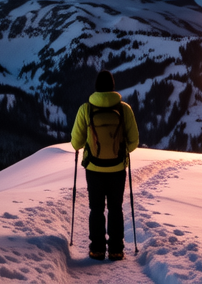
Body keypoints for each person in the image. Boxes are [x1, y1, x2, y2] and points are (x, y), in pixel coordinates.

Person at [71, 69, 139, 261]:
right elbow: (134, 142)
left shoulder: (86, 109)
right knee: (116, 208)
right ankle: (117, 249)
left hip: (94, 169)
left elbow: (76, 143)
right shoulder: (124, 110)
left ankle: (97, 249)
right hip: (118, 168)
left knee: (96, 208)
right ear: (112, 87)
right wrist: (120, 150)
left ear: (96, 88)